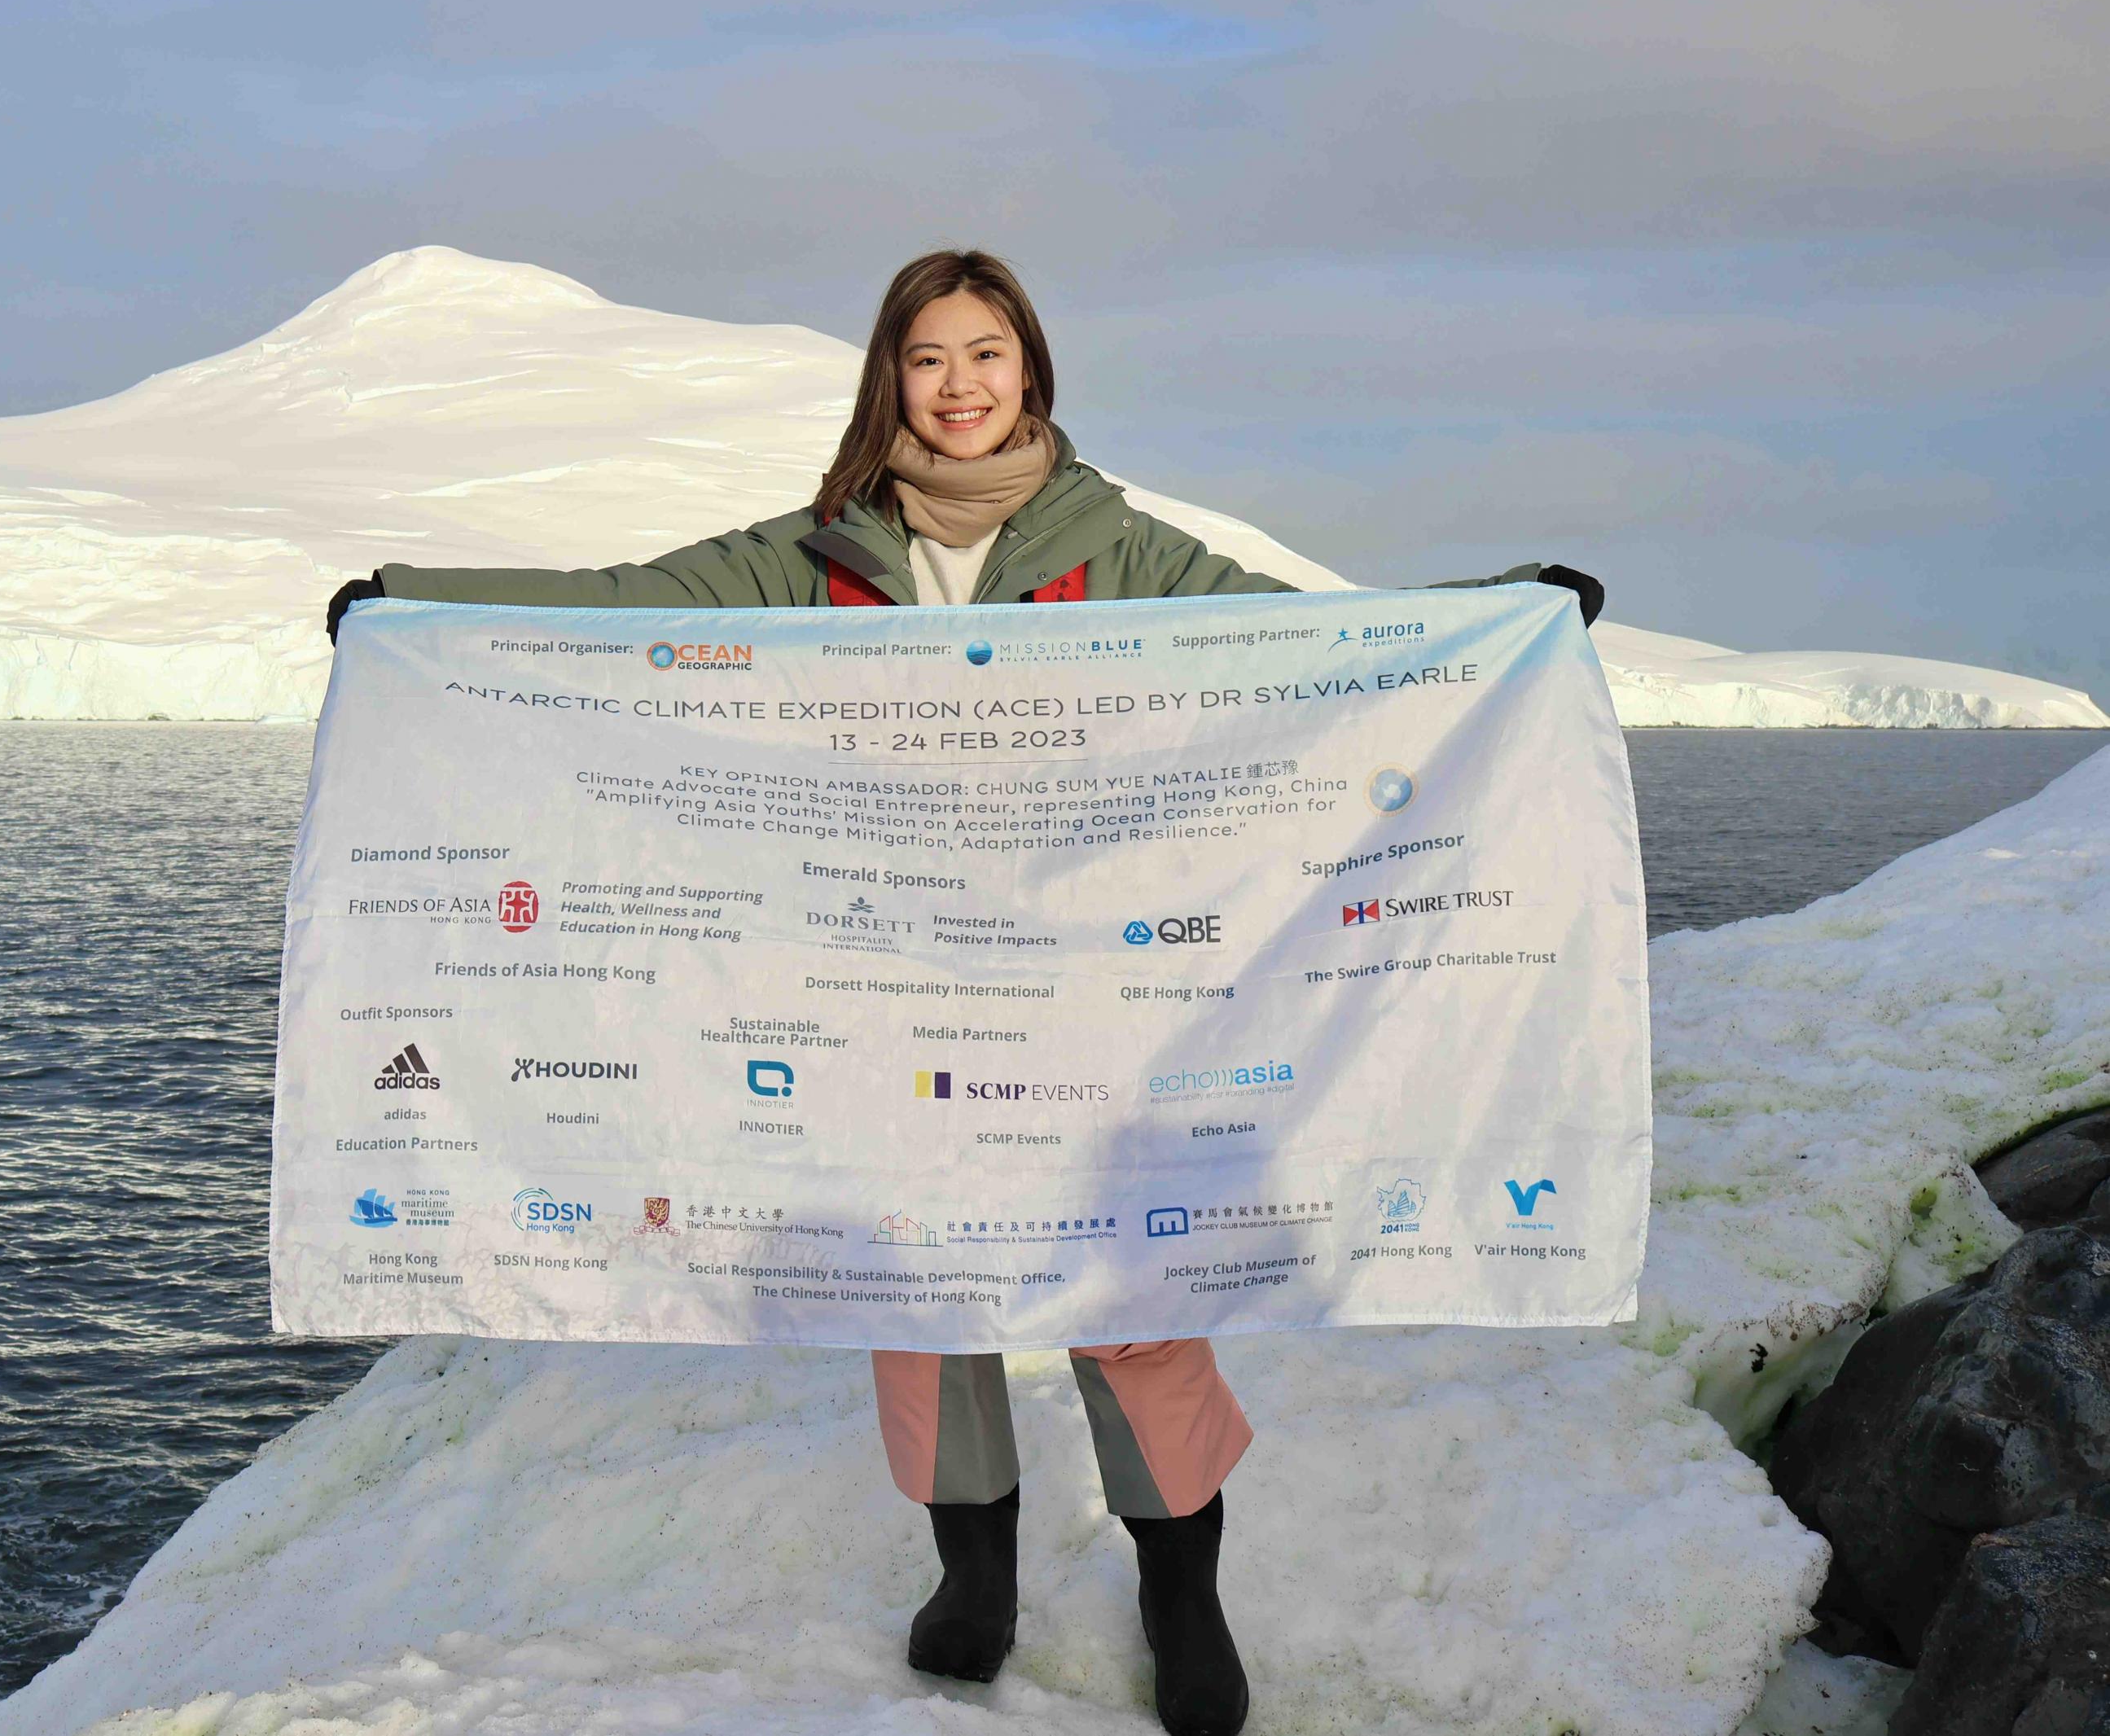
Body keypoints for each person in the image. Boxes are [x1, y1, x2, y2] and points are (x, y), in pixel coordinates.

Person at [323, 250, 1602, 1736]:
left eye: (985, 353)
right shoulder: (817, 553)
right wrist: (414, 606)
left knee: (1131, 1284)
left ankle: (1180, 1595)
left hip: (1094, 986)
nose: (959, 385)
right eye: (928, 358)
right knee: (920, 1281)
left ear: (1031, 371)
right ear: (892, 381)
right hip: (886, 975)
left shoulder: (1113, 545)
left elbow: (1315, 639)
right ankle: (974, 1576)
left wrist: (1503, 613)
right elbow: (620, 610)